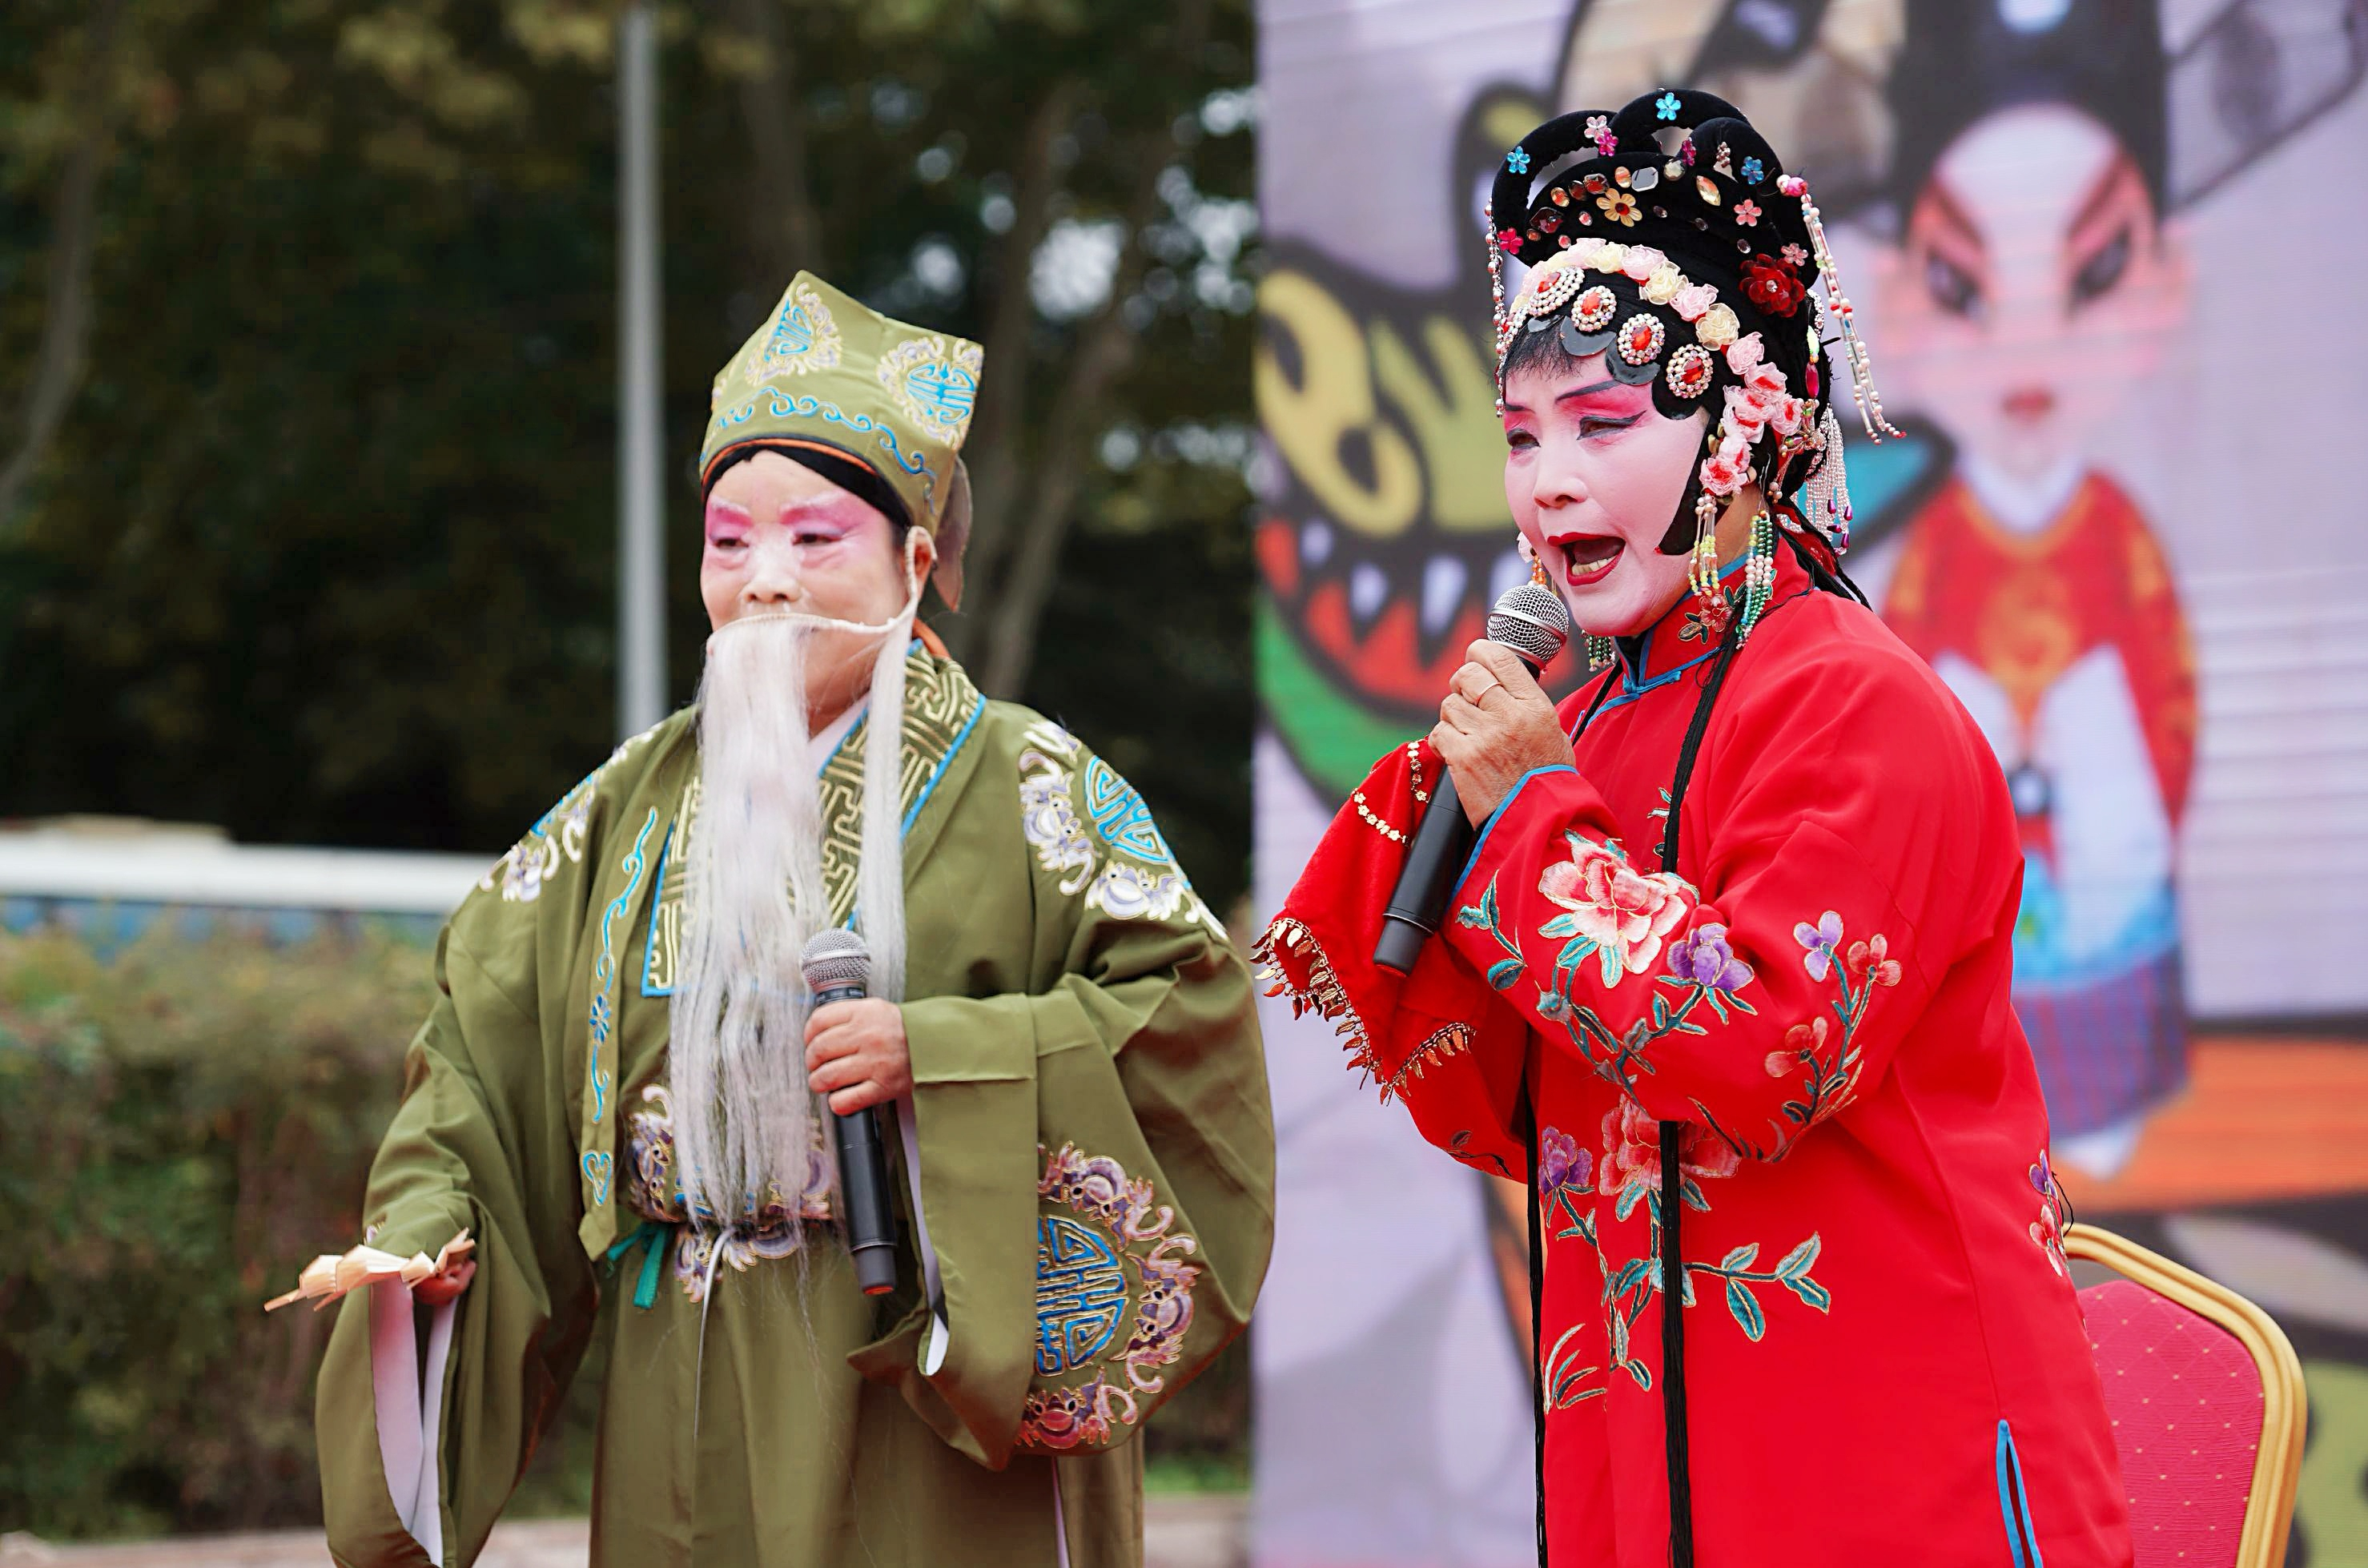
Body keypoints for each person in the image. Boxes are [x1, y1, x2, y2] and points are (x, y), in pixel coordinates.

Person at [1260, 91, 2130, 1566]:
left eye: (1603, 424)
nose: (1548, 479)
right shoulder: (1590, 715)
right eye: (1523, 433)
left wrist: (1531, 825)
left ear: (1747, 422)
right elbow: (1526, 1105)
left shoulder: (1859, 703)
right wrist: (1450, 854)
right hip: (1641, 1422)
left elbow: (1765, 1054)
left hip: (1889, 1432)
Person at [295, 272, 1274, 1567]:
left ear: (915, 563)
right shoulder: (628, 806)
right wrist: (426, 1238)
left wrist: (942, 1058)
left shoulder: (1034, 784)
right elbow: (479, 1056)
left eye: (813, 540)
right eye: (728, 542)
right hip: (682, 1373)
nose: (763, 582)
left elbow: (1191, 1019)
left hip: (922, 1370)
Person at [1869, 0, 2196, 1180]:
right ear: (1900, 301)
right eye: (1962, 284)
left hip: (2100, 885)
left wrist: (2097, 750)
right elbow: (1896, 707)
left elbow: (2167, 700)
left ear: (2160, 281)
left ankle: (2103, 1100)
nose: (2027, 340)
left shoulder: (2117, 537)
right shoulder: (1934, 548)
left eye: (2092, 271)